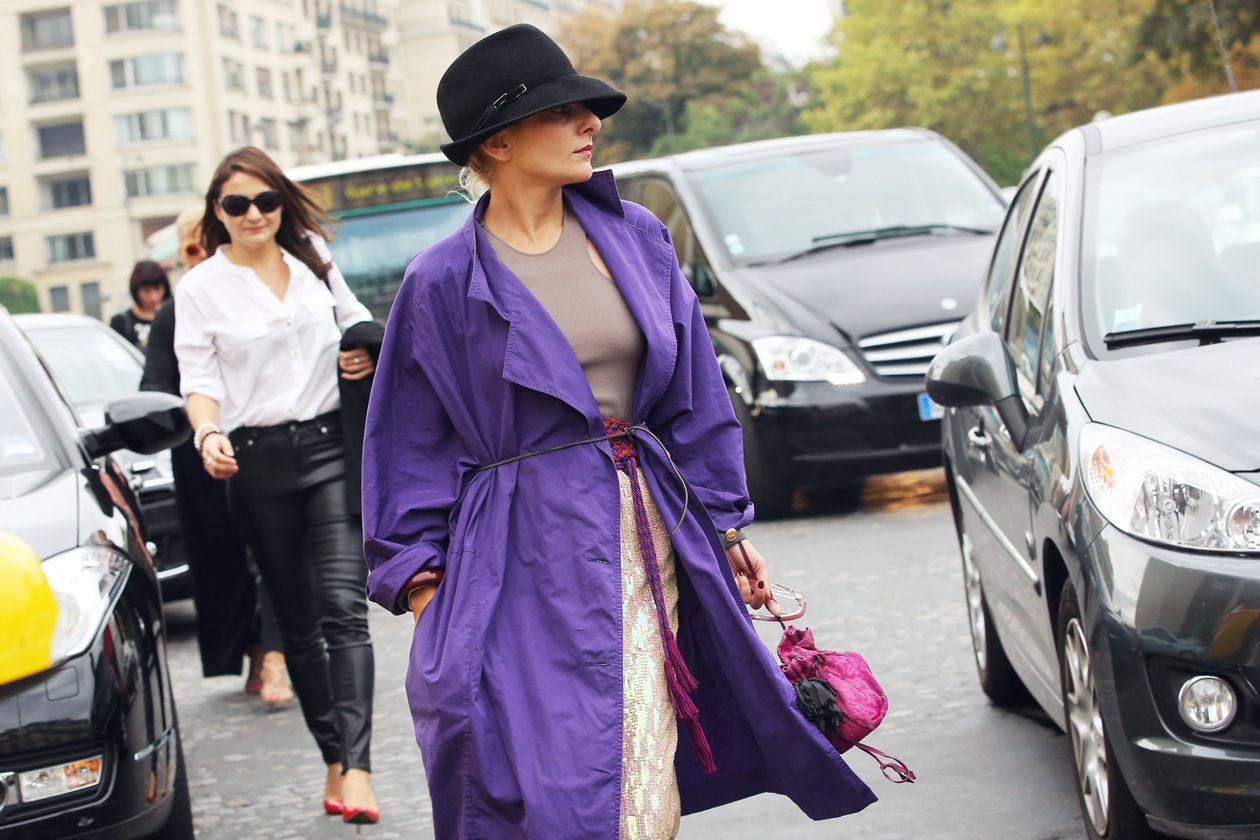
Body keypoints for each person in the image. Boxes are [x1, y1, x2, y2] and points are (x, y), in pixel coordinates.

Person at [361, 24, 877, 840]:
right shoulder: (442, 280)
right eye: (560, 112)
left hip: (644, 533)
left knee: (637, 749)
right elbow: (406, 445)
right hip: (511, 557)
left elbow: (696, 396)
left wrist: (726, 526)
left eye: (587, 110)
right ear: (496, 142)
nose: (590, 124)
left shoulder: (635, 236)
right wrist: (428, 595)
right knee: (533, 772)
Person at [174, 147, 380, 826]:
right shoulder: (200, 289)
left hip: (329, 451)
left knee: (345, 609)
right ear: (218, 211)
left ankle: (358, 769)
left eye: (265, 200)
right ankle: (334, 754)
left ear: (280, 203)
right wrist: (208, 434)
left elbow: (354, 319)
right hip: (256, 464)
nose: (254, 214)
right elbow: (199, 381)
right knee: (299, 626)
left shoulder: (314, 259)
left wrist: (360, 349)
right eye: (237, 204)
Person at [140, 205, 292, 706]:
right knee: (225, 563)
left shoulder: (264, 293)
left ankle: (277, 653)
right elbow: (156, 387)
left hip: (267, 447)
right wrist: (197, 422)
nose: (202, 254)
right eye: (191, 247)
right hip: (201, 459)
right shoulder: (174, 312)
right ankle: (255, 648)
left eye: (208, 242)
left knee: (277, 552)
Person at [110, 260, 171, 352]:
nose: (154, 297)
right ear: (136, 290)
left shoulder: (173, 316)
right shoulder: (120, 322)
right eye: (146, 290)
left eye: (158, 288)